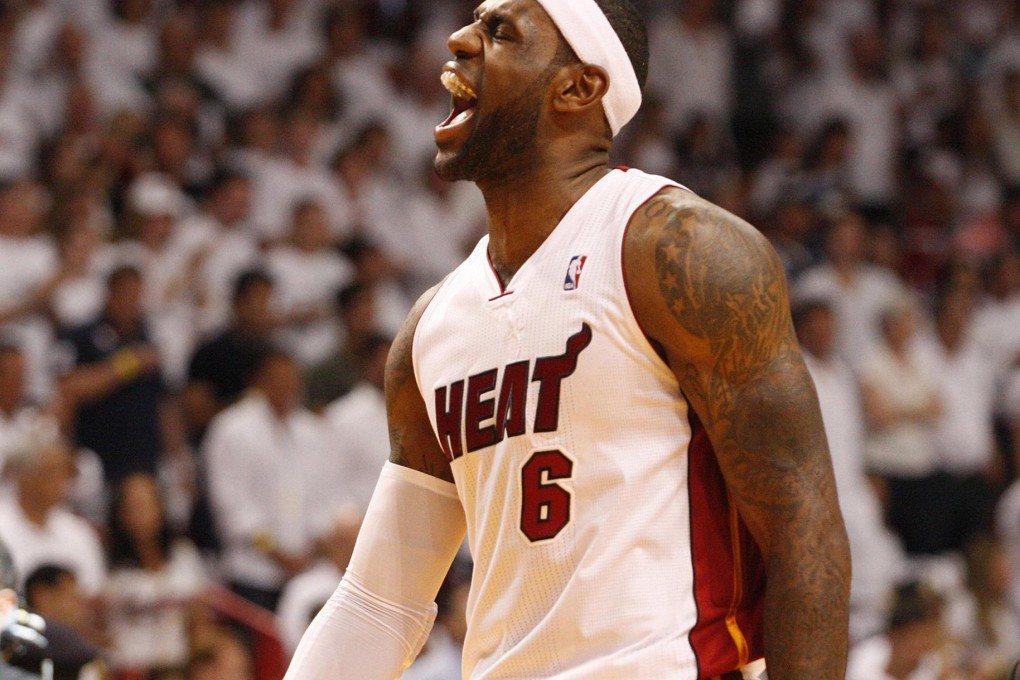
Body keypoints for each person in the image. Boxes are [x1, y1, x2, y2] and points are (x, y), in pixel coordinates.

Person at [286, 0, 850, 678]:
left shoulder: (679, 250)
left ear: (578, 86)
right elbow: (380, 603)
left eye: (499, 31)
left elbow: (803, 534)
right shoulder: (431, 327)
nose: (460, 39)